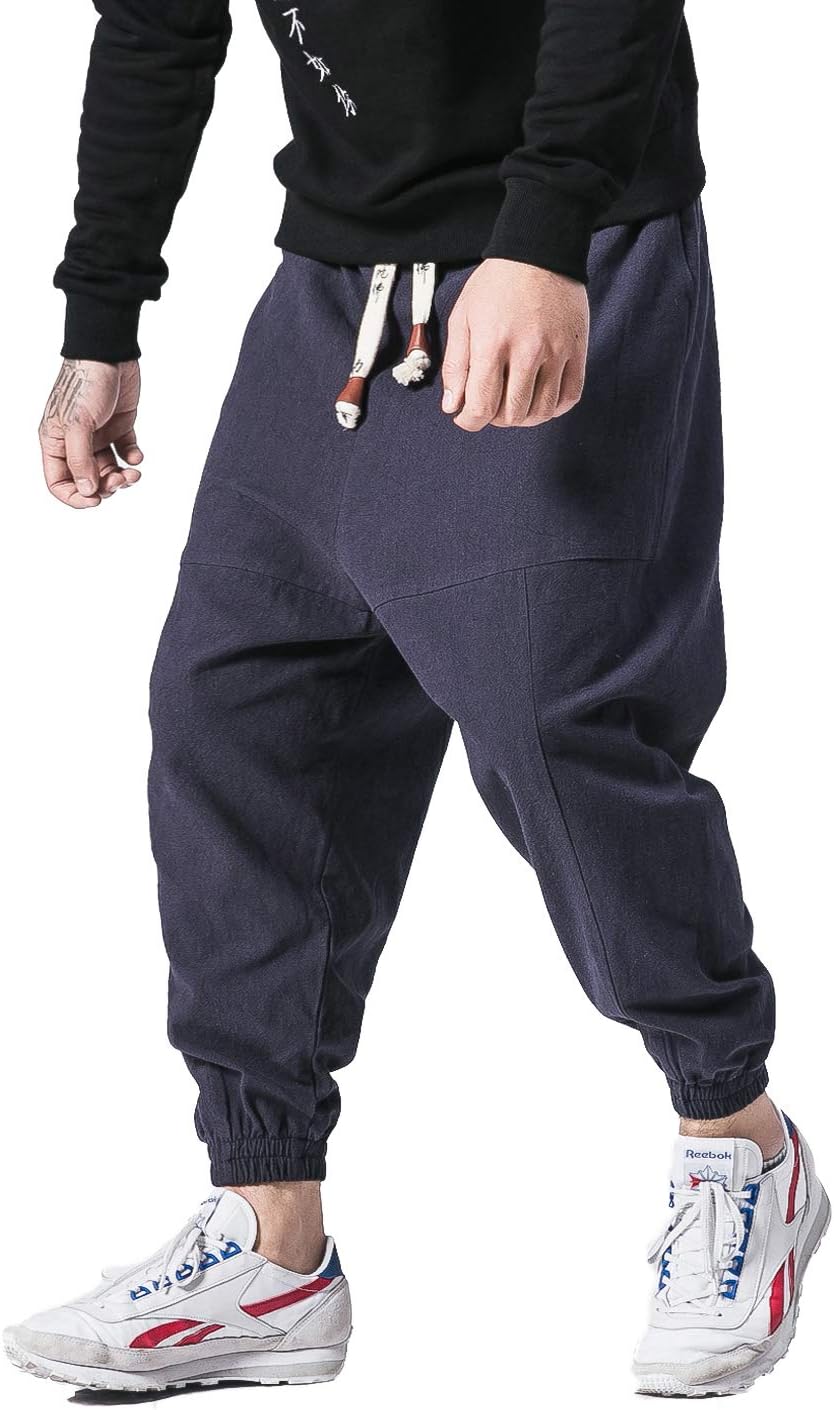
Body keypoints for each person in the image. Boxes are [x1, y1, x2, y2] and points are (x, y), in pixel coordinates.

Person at [3, 1, 827, 1399]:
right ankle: (271, 1243)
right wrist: (101, 316)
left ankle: (738, 1140)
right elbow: (155, 22)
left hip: (561, 247)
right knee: (235, 711)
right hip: (335, 279)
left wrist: (546, 228)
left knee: (554, 714)